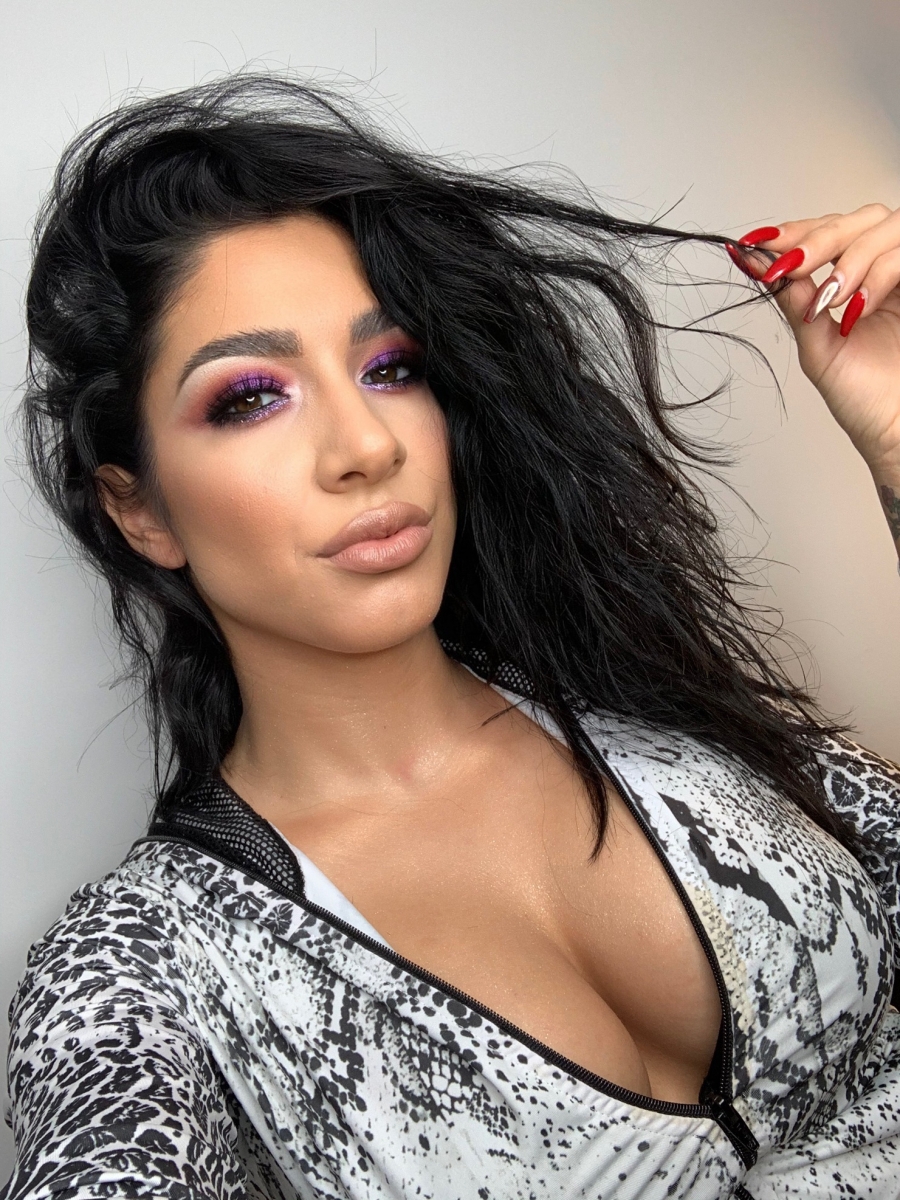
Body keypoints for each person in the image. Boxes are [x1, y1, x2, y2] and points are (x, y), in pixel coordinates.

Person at [3, 73, 900, 1200]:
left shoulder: (662, 711)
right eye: (249, 397)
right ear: (141, 511)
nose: (366, 447)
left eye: (392, 369)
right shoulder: (145, 969)